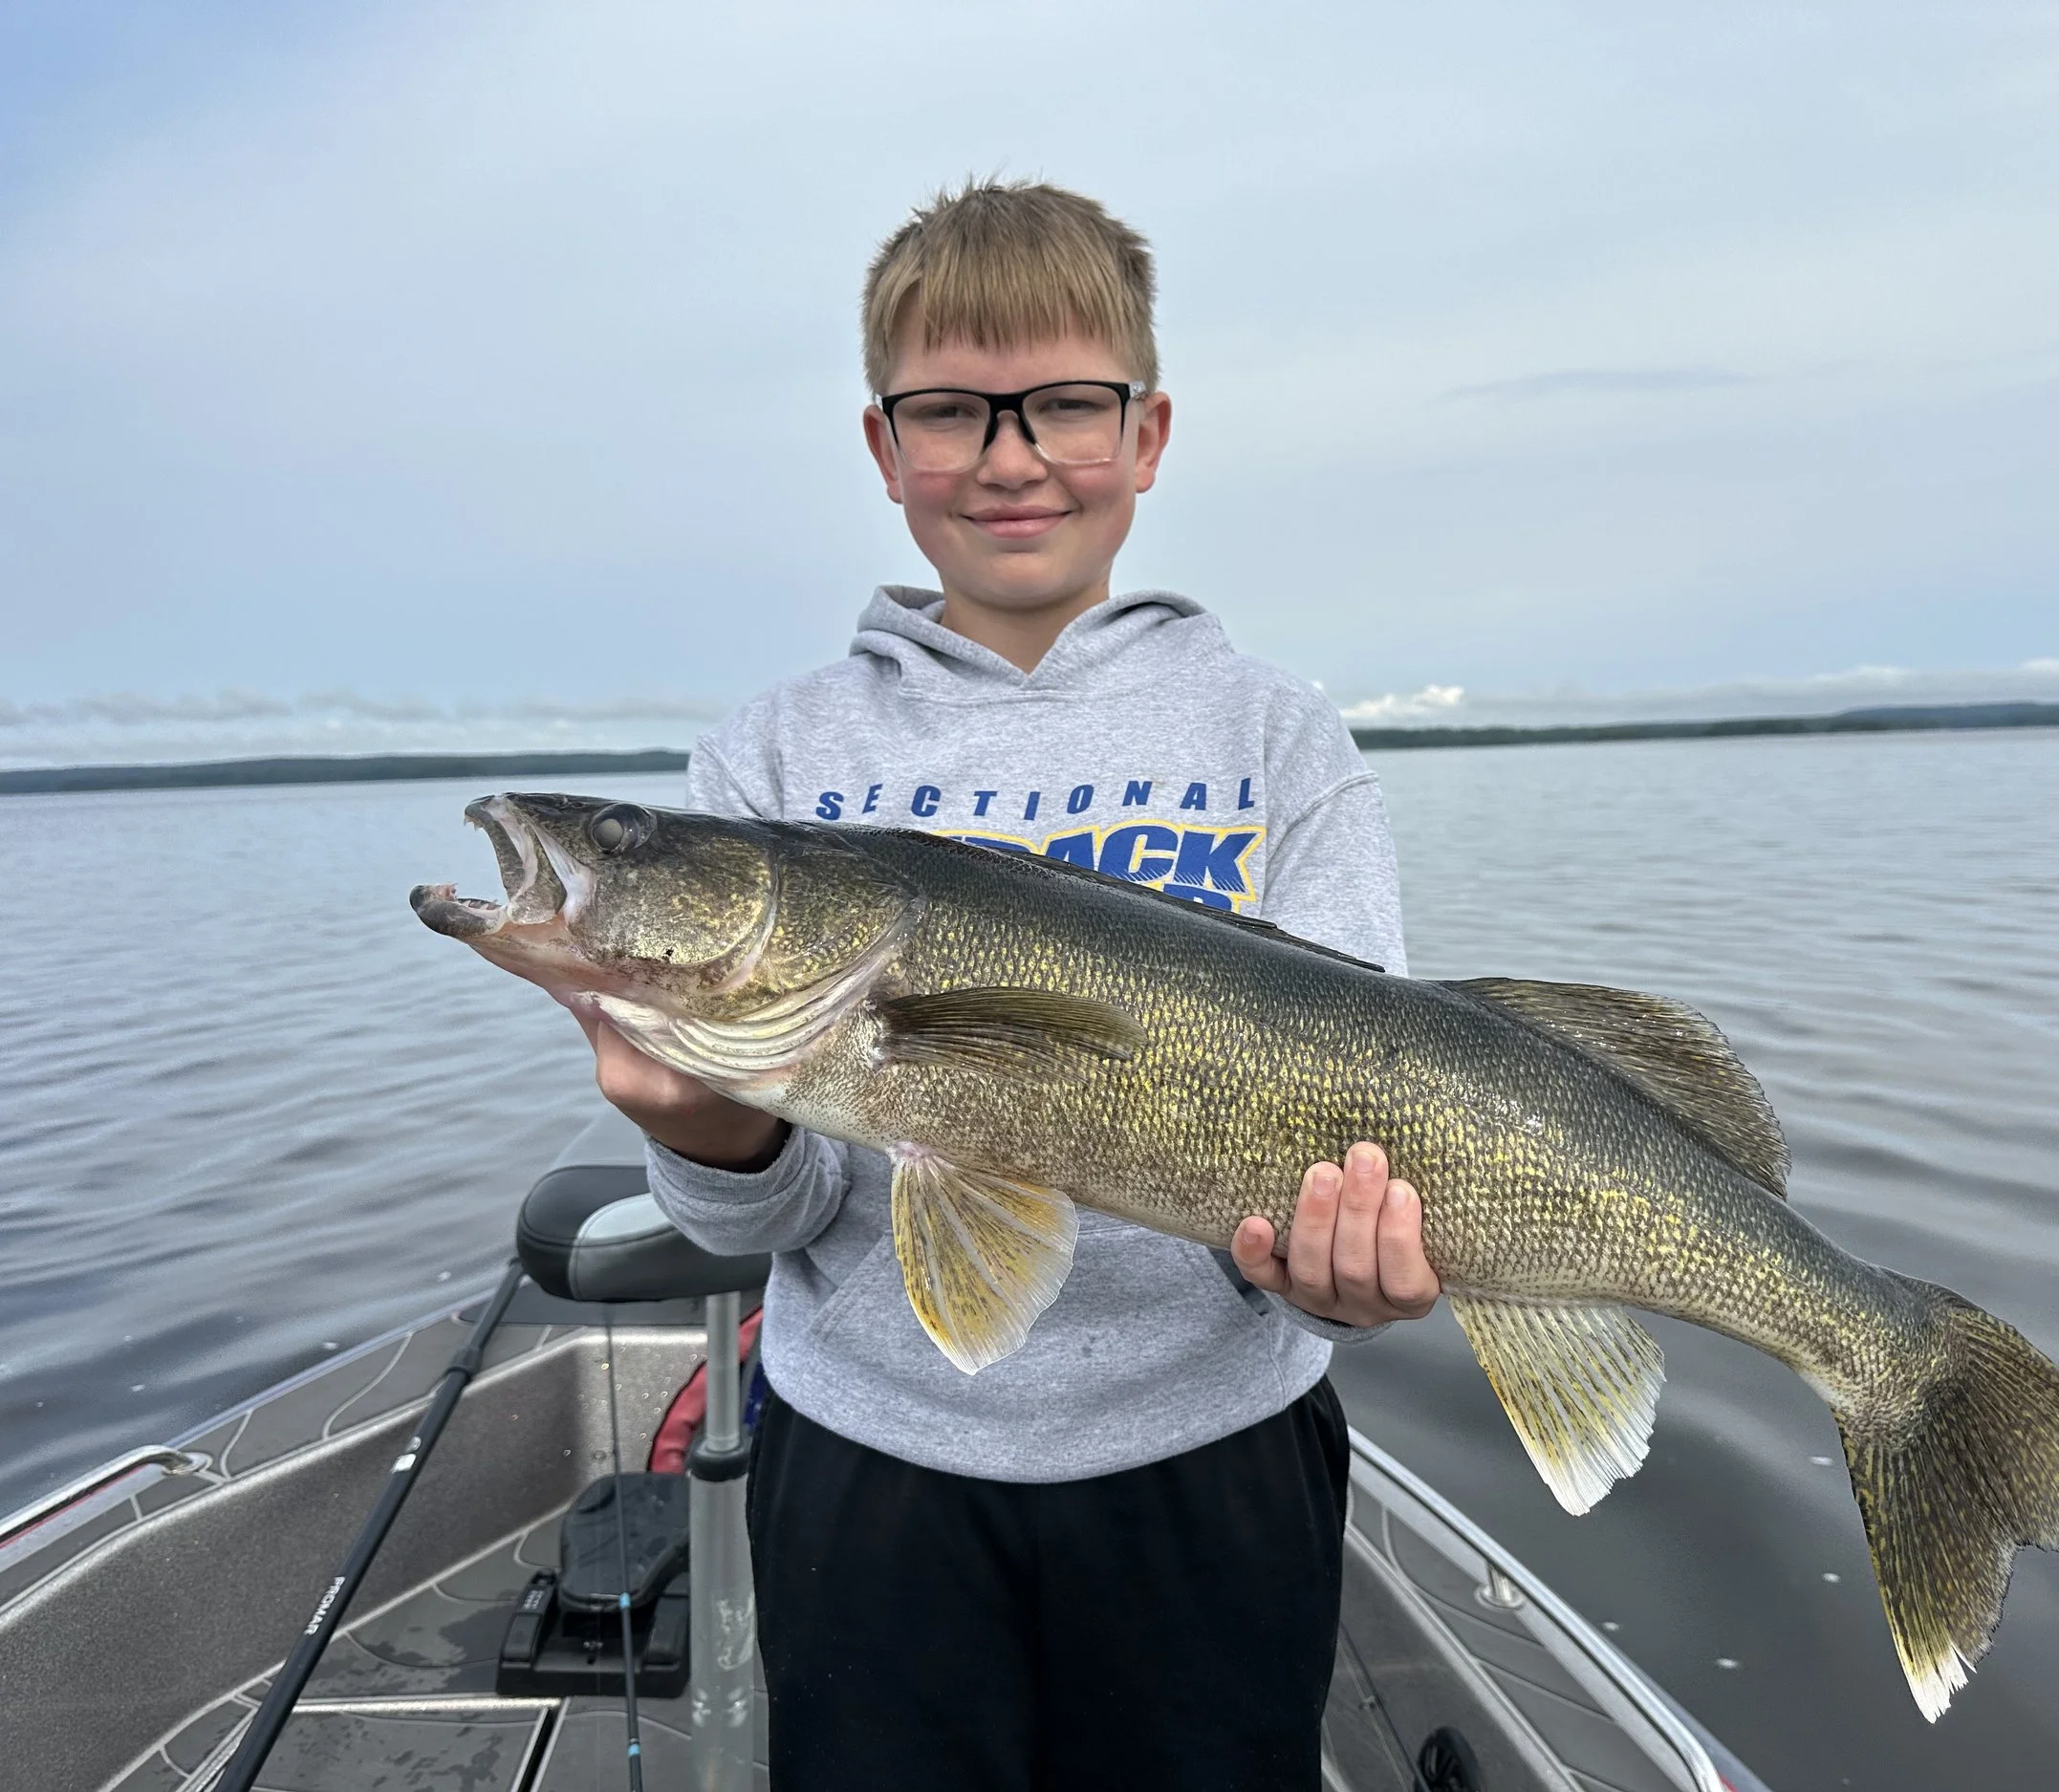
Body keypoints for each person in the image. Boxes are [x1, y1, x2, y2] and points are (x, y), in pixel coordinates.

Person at [584, 177, 1440, 1790]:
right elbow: (762, 1229)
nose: (1010, 454)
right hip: (873, 1464)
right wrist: (712, 1138)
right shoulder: (771, 760)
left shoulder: (1275, 740)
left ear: (1152, 427)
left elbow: (1364, 1131)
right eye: (951, 411)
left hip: (1217, 1459)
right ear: (881, 443)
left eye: (1063, 405)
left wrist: (1337, 1267)